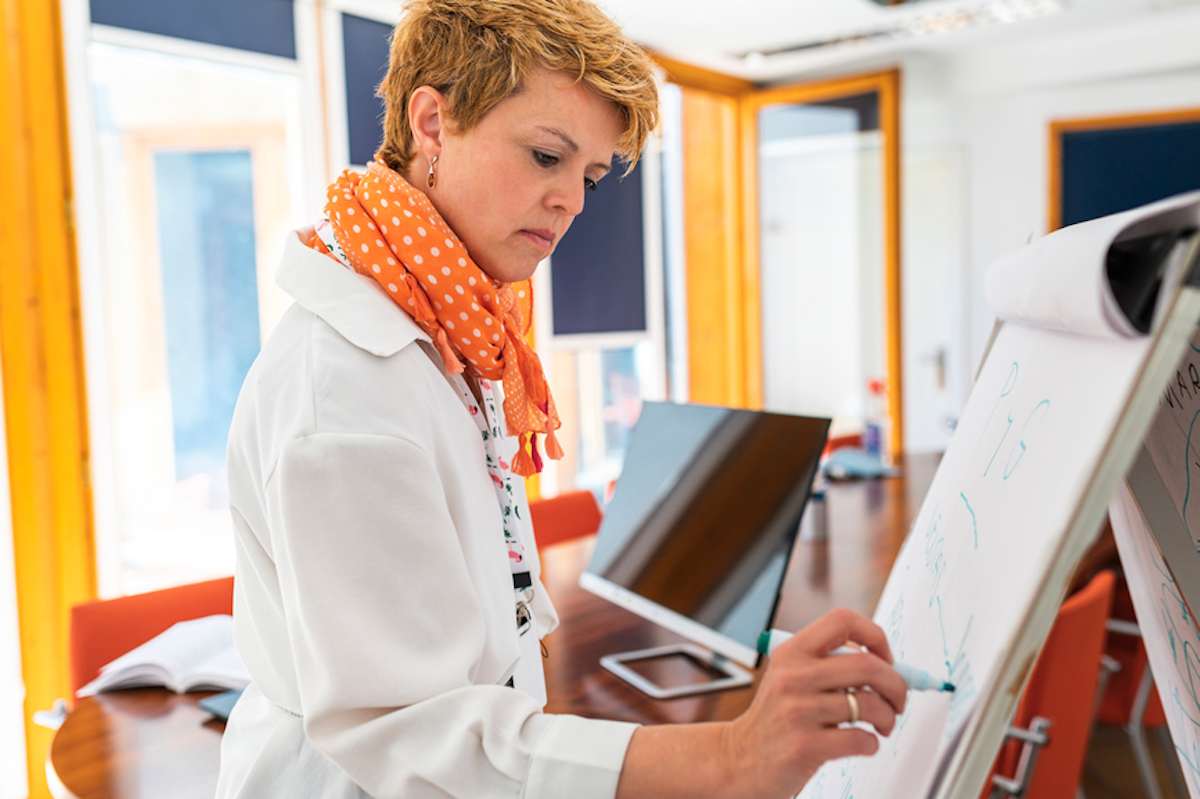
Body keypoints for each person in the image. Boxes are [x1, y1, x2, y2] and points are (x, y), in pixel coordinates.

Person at [215, 1, 906, 797]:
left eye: (588, 177)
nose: (572, 201)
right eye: (547, 156)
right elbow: (411, 737)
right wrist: (732, 757)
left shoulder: (457, 329)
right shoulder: (344, 394)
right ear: (433, 123)